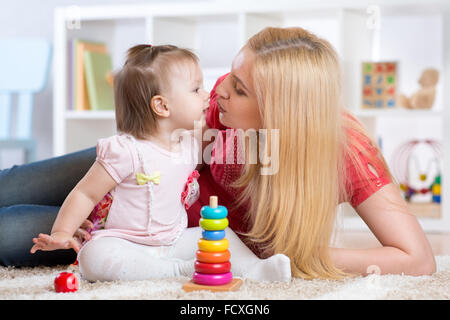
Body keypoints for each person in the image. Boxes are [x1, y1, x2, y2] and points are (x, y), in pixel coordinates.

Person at [0, 27, 435, 279]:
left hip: (152, 234)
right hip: (136, 165)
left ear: (278, 112)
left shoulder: (346, 150)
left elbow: (416, 257)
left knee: (11, 231)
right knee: (13, 185)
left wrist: (304, 258)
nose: (219, 88)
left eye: (239, 89)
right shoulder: (216, 103)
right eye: (231, 71)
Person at [27, 44, 291, 282]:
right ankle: (179, 271)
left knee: (221, 234)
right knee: (93, 257)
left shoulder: (191, 143)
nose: (208, 94)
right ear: (162, 106)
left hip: (174, 241)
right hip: (126, 242)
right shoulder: (126, 150)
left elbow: (238, 144)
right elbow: (86, 192)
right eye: (196, 89)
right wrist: (62, 232)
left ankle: (257, 268)